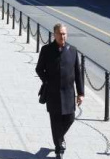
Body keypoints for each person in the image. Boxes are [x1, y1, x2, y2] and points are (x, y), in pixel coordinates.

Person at [36, 23, 84, 159]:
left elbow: (77, 73)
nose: (63, 36)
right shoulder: (46, 50)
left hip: (69, 92)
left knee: (70, 118)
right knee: (55, 120)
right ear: (54, 34)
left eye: (64, 34)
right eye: (60, 34)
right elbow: (39, 69)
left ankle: (59, 138)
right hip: (53, 92)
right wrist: (47, 81)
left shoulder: (72, 50)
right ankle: (59, 148)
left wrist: (81, 93)